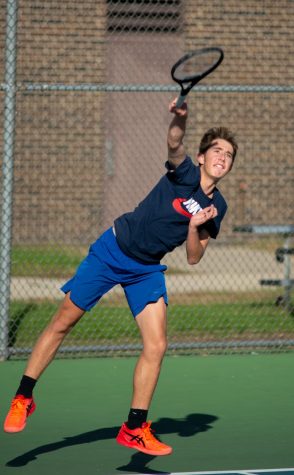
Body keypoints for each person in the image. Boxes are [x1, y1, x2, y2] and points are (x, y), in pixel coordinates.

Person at [3, 98, 237, 456]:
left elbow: (194, 257)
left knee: (157, 345)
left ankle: (134, 427)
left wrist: (195, 226)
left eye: (230, 155)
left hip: (146, 269)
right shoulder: (186, 172)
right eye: (217, 150)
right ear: (203, 157)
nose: (223, 157)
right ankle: (23, 396)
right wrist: (180, 119)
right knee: (63, 322)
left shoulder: (217, 207)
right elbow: (174, 144)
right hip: (112, 251)